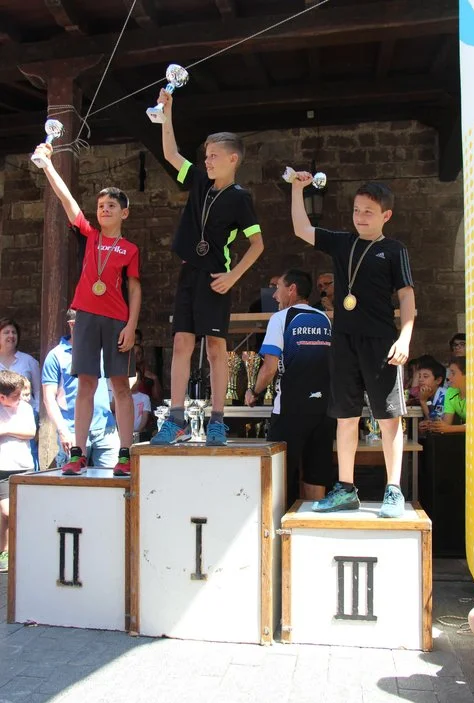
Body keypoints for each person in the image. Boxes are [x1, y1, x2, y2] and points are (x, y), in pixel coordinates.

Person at [291, 175, 415, 518]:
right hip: (344, 342)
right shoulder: (342, 242)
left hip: (382, 343)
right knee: (345, 418)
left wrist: (405, 337)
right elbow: (302, 228)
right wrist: (297, 189)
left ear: (386, 215)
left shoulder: (394, 250)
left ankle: (393, 490)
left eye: (369, 212)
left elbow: (407, 296)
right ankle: (346, 489)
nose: (360, 217)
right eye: (357, 210)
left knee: (388, 418)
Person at [150, 88, 264, 447]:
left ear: (233, 159)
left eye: (214, 156)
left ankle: (217, 420)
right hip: (189, 273)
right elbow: (170, 153)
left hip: (216, 278)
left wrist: (233, 277)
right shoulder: (199, 180)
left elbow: (258, 244)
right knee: (181, 341)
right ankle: (176, 419)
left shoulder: (240, 198)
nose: (208, 161)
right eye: (206, 155)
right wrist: (167, 113)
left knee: (216, 347)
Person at [33, 142, 141, 476]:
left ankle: (125, 454)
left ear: (124, 213)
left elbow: (135, 289)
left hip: (117, 319)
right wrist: (48, 166)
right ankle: (77, 453)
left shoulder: (129, 249)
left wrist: (131, 326)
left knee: (120, 386)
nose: (104, 210)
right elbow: (67, 200)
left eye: (111, 205)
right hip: (86, 317)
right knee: (86, 384)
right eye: (100, 205)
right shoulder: (89, 235)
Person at [245, 269, 334, 506]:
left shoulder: (280, 318)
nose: (275, 295)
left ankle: (276, 528)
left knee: (278, 478)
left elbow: (269, 368)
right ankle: (313, 526)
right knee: (315, 477)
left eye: (278, 288)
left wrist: (254, 392)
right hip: (324, 410)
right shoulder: (324, 319)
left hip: (290, 410)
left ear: (292, 289)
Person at [42, 309, 121, 468]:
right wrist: (63, 431)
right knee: (73, 480)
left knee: (112, 479)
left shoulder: (101, 351)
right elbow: (48, 399)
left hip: (106, 429)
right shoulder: (56, 355)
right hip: (72, 430)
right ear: (72, 325)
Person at [0, 371, 35, 573]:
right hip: (3, 467)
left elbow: (30, 432)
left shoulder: (26, 408)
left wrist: (6, 430)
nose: (20, 398)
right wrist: (14, 429)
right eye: (15, 396)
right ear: (2, 397)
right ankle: (5, 550)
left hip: (24, 465)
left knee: (22, 510)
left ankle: (18, 550)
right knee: (6, 511)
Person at [0, 318, 41, 414]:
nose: (11, 335)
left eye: (14, 332)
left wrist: (36, 412)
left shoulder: (29, 361)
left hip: (24, 417)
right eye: (6, 332)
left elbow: (39, 392)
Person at [430, 356, 466, 434]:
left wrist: (450, 428)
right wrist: (432, 424)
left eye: (453, 373)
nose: (449, 377)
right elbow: (446, 423)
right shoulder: (450, 392)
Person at [417, 356, 447, 432]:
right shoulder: (426, 394)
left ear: (438, 380)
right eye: (419, 376)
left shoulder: (443, 395)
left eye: (425, 376)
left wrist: (423, 401)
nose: (420, 379)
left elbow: (436, 423)